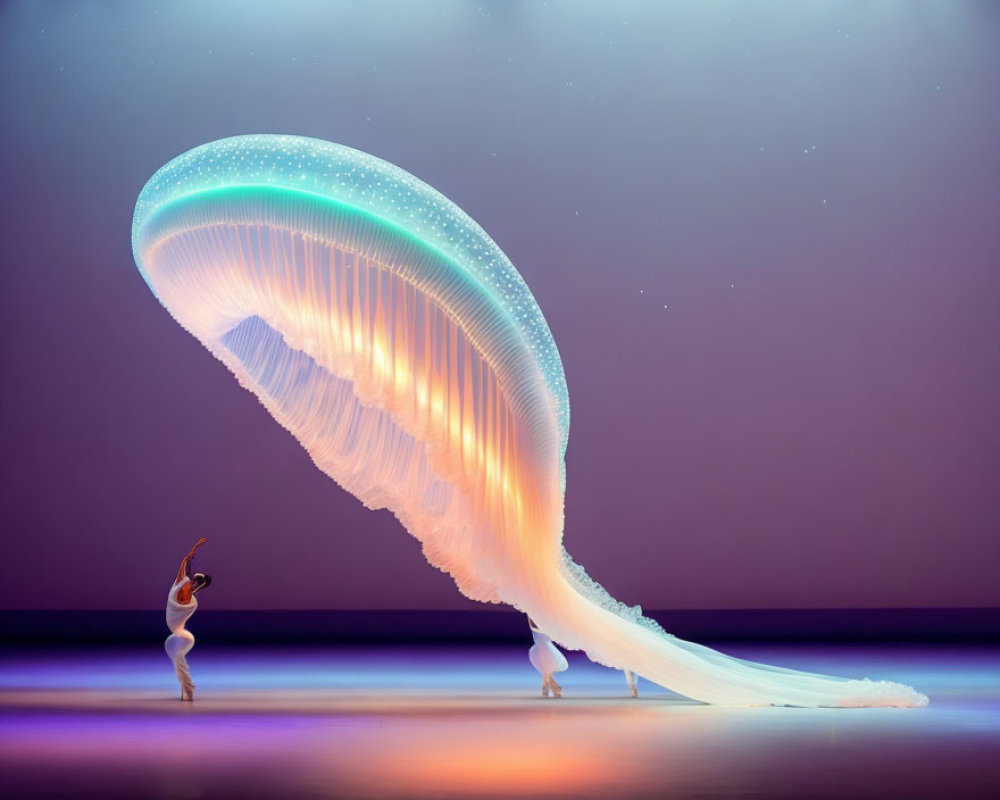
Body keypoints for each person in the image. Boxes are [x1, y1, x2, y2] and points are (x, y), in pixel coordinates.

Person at [165, 538, 211, 700]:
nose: (190, 581)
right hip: (178, 634)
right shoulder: (181, 583)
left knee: (178, 659)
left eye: (194, 581)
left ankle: (189, 691)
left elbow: (186, 568)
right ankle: (185, 688)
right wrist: (193, 550)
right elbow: (185, 564)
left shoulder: (187, 596)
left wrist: (192, 553)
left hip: (183, 636)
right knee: (170, 647)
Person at [528, 616, 569, 698]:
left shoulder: (547, 624)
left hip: (547, 648)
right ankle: (551, 688)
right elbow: (532, 627)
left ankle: (550, 687)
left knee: (546, 669)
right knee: (546, 669)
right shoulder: (534, 620)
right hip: (540, 647)